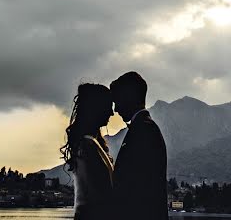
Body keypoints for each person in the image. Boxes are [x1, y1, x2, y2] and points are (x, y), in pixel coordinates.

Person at [110, 71, 168, 220]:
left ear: (129, 97)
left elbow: (137, 187)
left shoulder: (143, 130)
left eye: (117, 101)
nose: (116, 110)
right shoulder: (144, 128)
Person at [61, 83, 115, 220]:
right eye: (109, 107)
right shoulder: (88, 146)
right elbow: (101, 194)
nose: (112, 113)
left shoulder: (88, 143)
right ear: (97, 108)